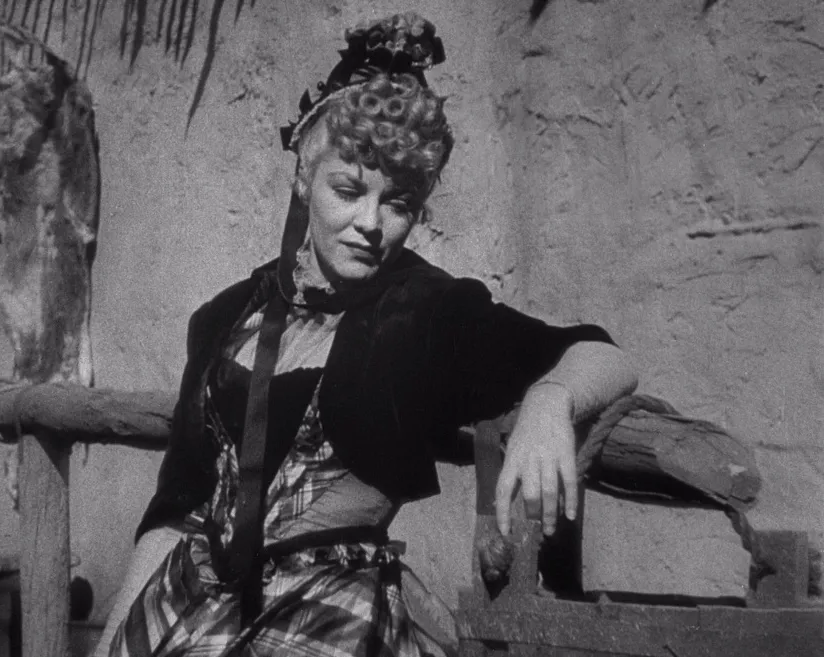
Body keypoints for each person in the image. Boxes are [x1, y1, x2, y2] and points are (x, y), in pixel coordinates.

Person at [96, 12, 637, 657]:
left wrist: (551, 402)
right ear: (304, 178)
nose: (371, 223)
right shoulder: (225, 317)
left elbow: (603, 355)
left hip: (326, 617)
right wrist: (111, 644)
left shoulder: (429, 312)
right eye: (349, 190)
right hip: (183, 602)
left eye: (399, 202)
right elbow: (172, 512)